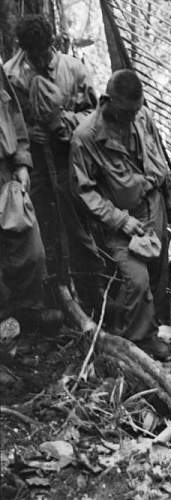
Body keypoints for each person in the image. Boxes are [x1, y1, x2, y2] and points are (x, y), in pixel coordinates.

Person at [70, 69, 171, 360]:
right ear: (107, 101)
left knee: (156, 273)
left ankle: (147, 331)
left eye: (135, 110)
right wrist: (121, 220)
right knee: (136, 279)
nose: (132, 117)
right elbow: (85, 192)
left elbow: (158, 155)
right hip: (121, 218)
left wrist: (170, 198)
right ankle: (137, 342)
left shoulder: (141, 116)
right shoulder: (86, 137)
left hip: (152, 204)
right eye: (125, 111)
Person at [4, 14, 102, 286]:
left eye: (43, 51)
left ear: (53, 43)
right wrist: (27, 133)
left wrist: (64, 123)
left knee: (79, 222)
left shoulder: (73, 70)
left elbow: (94, 118)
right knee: (39, 225)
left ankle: (88, 284)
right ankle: (48, 290)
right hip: (32, 165)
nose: (38, 58)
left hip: (71, 160)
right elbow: (8, 121)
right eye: (31, 53)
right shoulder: (11, 74)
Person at [0, 61, 62, 331]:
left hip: (5, 173)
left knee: (30, 249)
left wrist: (22, 162)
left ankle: (28, 311)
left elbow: (13, 114)